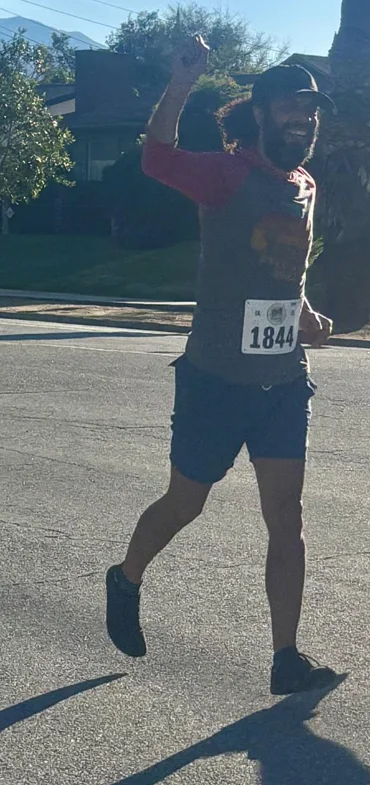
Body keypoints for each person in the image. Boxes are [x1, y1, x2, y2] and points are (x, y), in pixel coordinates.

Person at [105, 36, 339, 695]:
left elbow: (283, 271)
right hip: (214, 378)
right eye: (293, 107)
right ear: (262, 112)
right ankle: (125, 577)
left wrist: (305, 314)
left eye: (312, 110)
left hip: (282, 382)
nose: (305, 119)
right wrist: (180, 82)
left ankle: (285, 656)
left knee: (286, 516)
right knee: (186, 502)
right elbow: (155, 156)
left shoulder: (306, 184)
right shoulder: (227, 173)